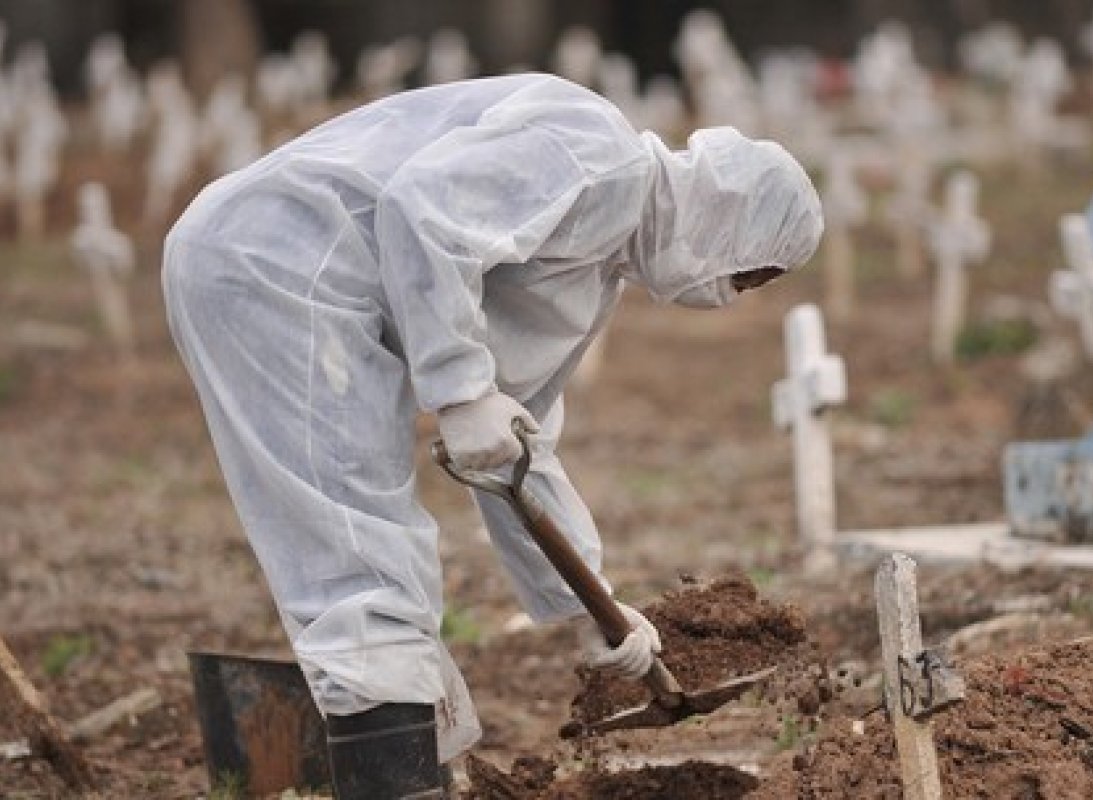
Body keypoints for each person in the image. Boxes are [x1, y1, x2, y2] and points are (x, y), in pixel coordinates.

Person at [163, 72, 822, 798]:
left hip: (302, 283)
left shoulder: (595, 268)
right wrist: (459, 385)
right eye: (746, 274)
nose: (723, 294)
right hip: (279, 263)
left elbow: (520, 450)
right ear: (728, 216)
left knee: (370, 560)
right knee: (356, 554)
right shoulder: (597, 152)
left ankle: (413, 770)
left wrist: (585, 605)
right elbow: (424, 210)